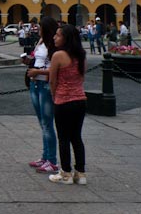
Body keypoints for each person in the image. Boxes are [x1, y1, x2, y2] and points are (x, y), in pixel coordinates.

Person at [48, 24, 87, 185]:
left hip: (63, 101)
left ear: (66, 38)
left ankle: (66, 173)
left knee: (63, 138)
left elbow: (52, 80)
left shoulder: (58, 55)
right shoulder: (81, 55)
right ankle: (81, 173)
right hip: (80, 100)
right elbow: (82, 77)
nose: (54, 37)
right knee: (76, 137)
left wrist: (54, 95)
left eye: (57, 35)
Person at [26, 16, 61, 174]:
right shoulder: (40, 42)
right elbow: (37, 61)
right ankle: (45, 156)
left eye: (41, 28)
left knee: (47, 124)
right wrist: (28, 63)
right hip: (34, 84)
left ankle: (52, 161)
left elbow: (55, 69)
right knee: (42, 123)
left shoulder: (55, 46)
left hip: (46, 86)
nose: (38, 30)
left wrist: (38, 72)